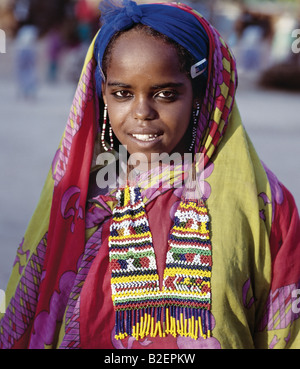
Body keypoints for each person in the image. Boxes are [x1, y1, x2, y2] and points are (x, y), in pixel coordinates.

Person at [0, 0, 299, 349]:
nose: (142, 112)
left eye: (166, 94)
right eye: (122, 93)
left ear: (201, 93)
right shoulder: (76, 195)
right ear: (102, 96)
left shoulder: (259, 203)